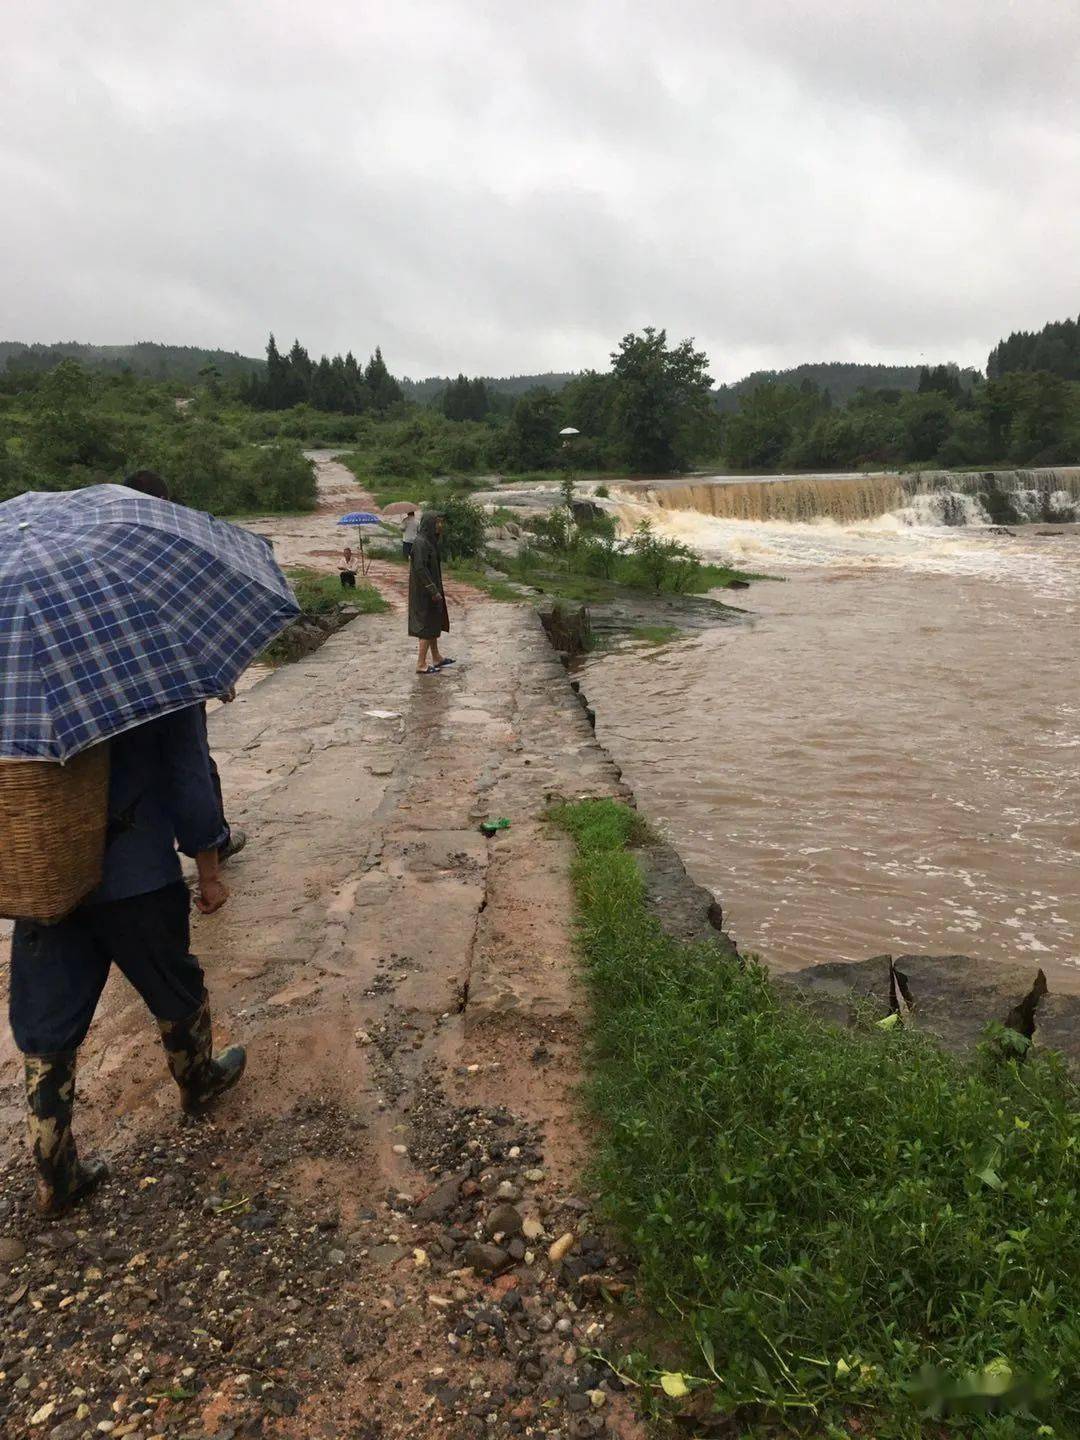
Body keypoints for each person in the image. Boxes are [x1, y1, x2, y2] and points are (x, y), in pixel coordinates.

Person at [9, 705, 246, 1214]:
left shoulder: (16, 679)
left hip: (47, 878)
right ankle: (199, 1083)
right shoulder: (151, 666)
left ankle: (56, 1171)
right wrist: (208, 869)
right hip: (135, 876)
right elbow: (190, 776)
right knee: (174, 986)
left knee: (46, 1024)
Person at [123, 470, 246, 863]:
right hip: (174, 676)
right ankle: (212, 845)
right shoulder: (173, 546)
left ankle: (141, 850)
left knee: (132, 765)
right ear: (163, 502)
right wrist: (218, 672)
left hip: (118, 683)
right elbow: (196, 614)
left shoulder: (102, 549)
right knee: (192, 761)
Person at [408, 513, 453, 674]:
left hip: (432, 590)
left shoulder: (429, 541)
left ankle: (436, 657)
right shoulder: (420, 543)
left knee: (433, 622)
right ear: (429, 524)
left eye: (441, 522)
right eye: (438, 522)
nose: (440, 526)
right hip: (424, 592)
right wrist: (432, 589)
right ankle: (421, 663)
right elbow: (420, 569)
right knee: (426, 625)